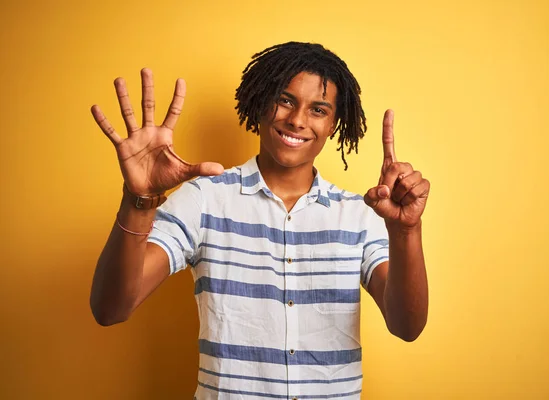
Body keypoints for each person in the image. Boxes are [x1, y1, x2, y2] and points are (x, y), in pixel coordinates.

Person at [90, 42, 430, 399]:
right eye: (285, 100)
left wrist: (407, 230)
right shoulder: (205, 199)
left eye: (318, 109)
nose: (297, 119)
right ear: (260, 102)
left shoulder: (360, 214)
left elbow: (407, 326)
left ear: (333, 123)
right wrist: (139, 201)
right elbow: (111, 308)